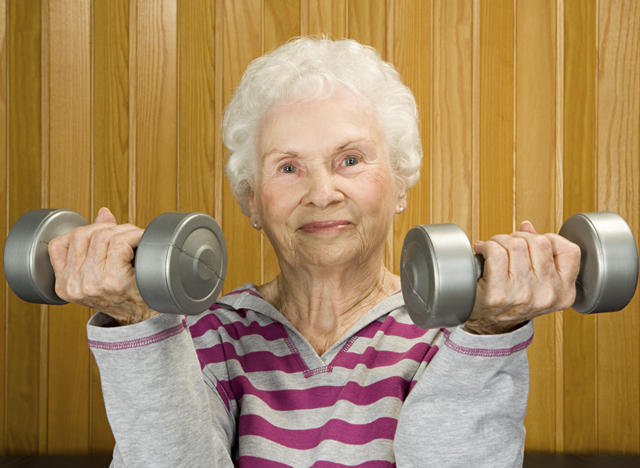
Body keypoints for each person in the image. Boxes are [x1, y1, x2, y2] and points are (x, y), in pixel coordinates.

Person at [49, 37, 581, 467]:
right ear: (252, 201)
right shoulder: (205, 335)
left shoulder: (451, 334)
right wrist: (137, 325)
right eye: (288, 167)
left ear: (399, 186)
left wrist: (489, 336)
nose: (322, 191)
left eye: (350, 160)